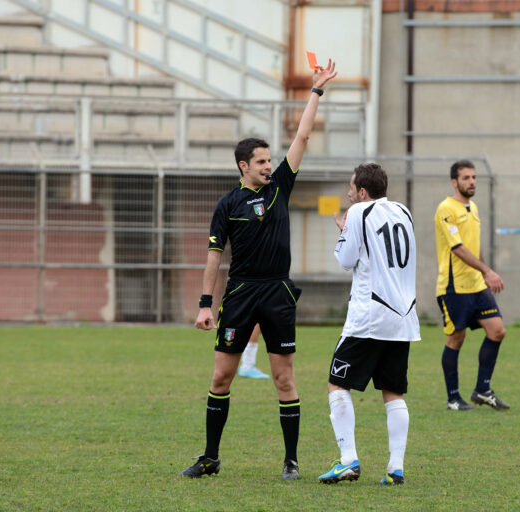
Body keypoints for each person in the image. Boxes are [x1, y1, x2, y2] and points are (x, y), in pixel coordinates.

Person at [180, 60, 338, 480]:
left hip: (277, 294)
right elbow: (214, 256)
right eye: (262, 161)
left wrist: (316, 92)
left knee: (284, 380)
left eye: (271, 160)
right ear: (243, 166)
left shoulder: (281, 188)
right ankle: (210, 457)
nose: (270, 166)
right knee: (221, 376)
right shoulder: (227, 205)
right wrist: (205, 305)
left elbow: (303, 135)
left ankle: (291, 461)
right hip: (240, 294)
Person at [318, 164, 420, 486]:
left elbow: (345, 260)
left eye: (351, 189)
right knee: (393, 392)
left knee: (337, 383)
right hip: (403, 317)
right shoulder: (403, 211)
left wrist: (343, 230)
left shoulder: (359, 212)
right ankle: (395, 468)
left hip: (369, 318)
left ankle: (348, 460)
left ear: (362, 191)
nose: (348, 194)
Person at [434, 160, 510, 412]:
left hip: (477, 285)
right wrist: (487, 270)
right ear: (454, 182)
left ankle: (482, 390)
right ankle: (453, 398)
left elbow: (474, 248)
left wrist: (484, 273)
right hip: (454, 287)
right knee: (456, 339)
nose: (472, 182)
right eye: (466, 178)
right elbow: (457, 248)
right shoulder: (446, 208)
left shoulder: (474, 208)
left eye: (474, 177)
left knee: (497, 331)